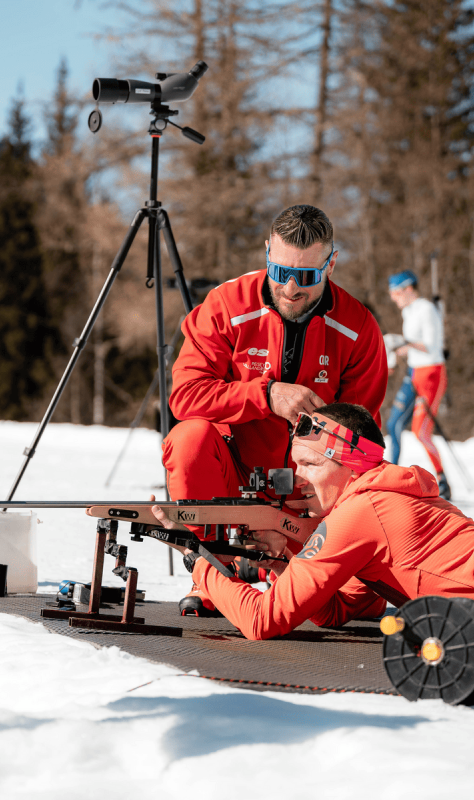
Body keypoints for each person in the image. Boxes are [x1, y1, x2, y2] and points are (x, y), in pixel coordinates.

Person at [156, 403, 474, 641]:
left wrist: (198, 562)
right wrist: (284, 563)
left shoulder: (360, 512)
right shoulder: (381, 495)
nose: (295, 479)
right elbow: (335, 611)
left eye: (310, 465)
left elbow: (263, 621)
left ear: (349, 465)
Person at [163, 205, 389, 615]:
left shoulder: (358, 328)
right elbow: (186, 396)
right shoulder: (225, 305)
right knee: (188, 439)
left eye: (305, 276)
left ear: (331, 263)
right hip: (233, 483)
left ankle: (293, 566)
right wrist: (265, 395)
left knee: (361, 604)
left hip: (309, 498)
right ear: (267, 251)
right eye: (279, 270)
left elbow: (361, 448)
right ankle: (216, 570)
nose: (289, 288)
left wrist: (312, 507)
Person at [386, 269, 451, 500]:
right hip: (414, 373)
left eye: (395, 292)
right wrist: (397, 353)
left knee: (420, 431)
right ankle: (388, 476)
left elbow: (431, 346)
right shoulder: (408, 312)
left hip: (431, 373)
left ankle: (442, 480)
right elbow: (413, 345)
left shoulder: (425, 309)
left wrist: (405, 344)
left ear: (408, 289)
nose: (393, 298)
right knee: (393, 423)